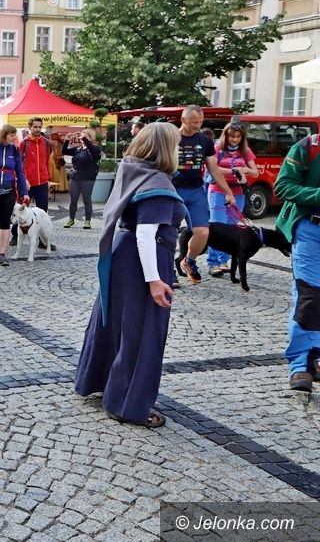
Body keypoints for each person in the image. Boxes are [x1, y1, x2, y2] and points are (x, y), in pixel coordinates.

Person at [74, 123, 185, 429]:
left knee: (115, 323)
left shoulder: (133, 169)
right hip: (142, 261)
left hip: (123, 255)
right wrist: (154, 280)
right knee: (140, 331)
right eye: (175, 145)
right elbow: (146, 235)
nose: (178, 150)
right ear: (165, 148)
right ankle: (127, 404)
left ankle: (100, 381)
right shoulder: (156, 182)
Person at [274, 129, 320, 391]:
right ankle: (301, 365)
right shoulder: (307, 147)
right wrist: (318, 195)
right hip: (310, 229)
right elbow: (283, 186)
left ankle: (315, 356)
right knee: (309, 294)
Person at [174, 105, 235, 284]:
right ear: (183, 120)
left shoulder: (204, 141)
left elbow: (213, 170)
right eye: (194, 122)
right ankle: (167, 270)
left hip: (196, 191)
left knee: (202, 232)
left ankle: (189, 261)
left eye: (200, 122)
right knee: (168, 232)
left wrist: (228, 192)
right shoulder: (171, 137)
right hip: (173, 190)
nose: (197, 126)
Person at [206, 122, 259, 277]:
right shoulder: (217, 148)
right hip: (218, 190)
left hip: (238, 192)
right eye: (231, 136)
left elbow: (255, 172)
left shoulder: (245, 151)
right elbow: (212, 167)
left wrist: (245, 169)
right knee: (217, 226)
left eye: (238, 137)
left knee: (232, 228)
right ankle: (213, 262)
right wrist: (233, 171)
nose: (234, 139)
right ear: (226, 135)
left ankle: (224, 261)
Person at [0, 125, 29, 267]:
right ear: (4, 135)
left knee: (5, 222)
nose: (14, 138)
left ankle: (2, 254)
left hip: (9, 191)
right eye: (11, 135)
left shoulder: (14, 150)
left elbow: (20, 172)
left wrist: (24, 193)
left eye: (15, 135)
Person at [15, 118, 53, 248]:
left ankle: (43, 240)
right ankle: (15, 235)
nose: (37, 129)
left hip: (42, 182)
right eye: (35, 127)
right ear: (30, 127)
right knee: (21, 209)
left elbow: (47, 162)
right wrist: (22, 180)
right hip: (27, 183)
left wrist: (48, 178)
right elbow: (18, 164)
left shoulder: (45, 143)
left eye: (39, 127)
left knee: (43, 212)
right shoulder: (24, 143)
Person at [63, 128, 102, 229]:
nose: (82, 137)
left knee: (86, 200)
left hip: (88, 178)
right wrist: (67, 140)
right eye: (81, 135)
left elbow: (93, 150)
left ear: (90, 137)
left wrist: (84, 138)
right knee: (73, 199)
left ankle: (87, 221)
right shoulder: (78, 149)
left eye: (85, 135)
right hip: (75, 177)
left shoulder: (94, 149)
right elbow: (64, 151)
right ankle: (71, 219)